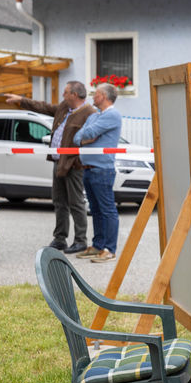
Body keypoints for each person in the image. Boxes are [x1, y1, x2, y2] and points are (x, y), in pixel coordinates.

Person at [5, 83, 95, 253]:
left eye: (66, 92)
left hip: (73, 165)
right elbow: (43, 107)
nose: (62, 94)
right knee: (59, 201)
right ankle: (60, 238)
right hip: (58, 162)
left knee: (76, 202)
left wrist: (78, 160)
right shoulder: (64, 107)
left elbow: (92, 140)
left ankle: (80, 240)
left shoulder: (89, 113)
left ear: (74, 95)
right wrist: (21, 100)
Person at [72, 83, 122, 263]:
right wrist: (87, 138)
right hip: (88, 169)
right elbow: (78, 137)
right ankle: (98, 245)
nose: (93, 96)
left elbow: (90, 132)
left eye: (97, 94)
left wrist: (87, 137)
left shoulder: (112, 115)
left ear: (105, 96)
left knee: (107, 210)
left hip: (102, 170)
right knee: (96, 210)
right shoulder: (95, 116)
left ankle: (109, 248)